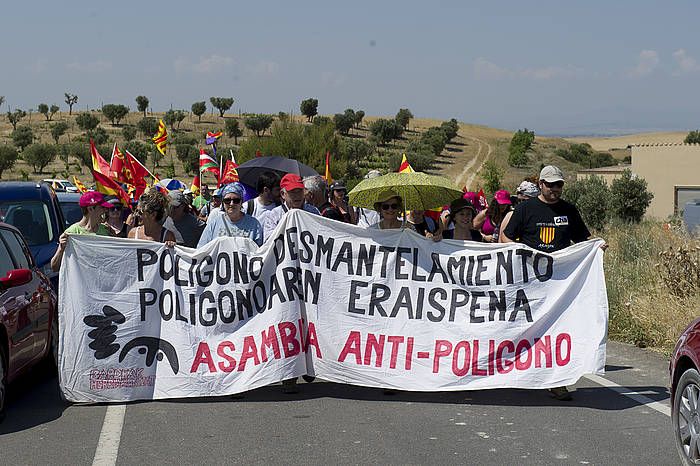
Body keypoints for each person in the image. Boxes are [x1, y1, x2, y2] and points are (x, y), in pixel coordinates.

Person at [501, 165, 607, 401]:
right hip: (529, 281)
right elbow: (507, 235)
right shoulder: (525, 208)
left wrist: (596, 247)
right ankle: (517, 372)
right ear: (541, 184)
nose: (555, 189)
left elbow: (582, 240)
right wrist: (515, 252)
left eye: (559, 184)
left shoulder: (569, 210)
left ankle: (556, 381)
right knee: (524, 327)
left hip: (559, 282)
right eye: (550, 185)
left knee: (557, 330)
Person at [51, 191, 113, 271]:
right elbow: (54, 267)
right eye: (102, 207)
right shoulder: (71, 233)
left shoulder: (105, 231)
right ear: (90, 209)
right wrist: (61, 249)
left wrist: (114, 238)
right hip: (80, 283)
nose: (105, 210)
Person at [197, 182, 263, 247]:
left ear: (241, 202)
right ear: (223, 202)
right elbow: (201, 248)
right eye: (227, 200)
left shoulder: (254, 224)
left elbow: (260, 252)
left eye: (236, 200)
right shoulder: (214, 224)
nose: (231, 204)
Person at [261, 173, 320, 243]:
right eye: (292, 192)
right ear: (283, 194)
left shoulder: (313, 212)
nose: (297, 195)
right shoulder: (273, 216)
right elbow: (268, 242)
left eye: (300, 191)